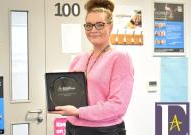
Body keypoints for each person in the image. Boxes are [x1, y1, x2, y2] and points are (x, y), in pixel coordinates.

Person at [51, 0, 134, 135]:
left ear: (110, 27)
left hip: (103, 130)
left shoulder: (120, 57)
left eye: (99, 25)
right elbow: (69, 92)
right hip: (72, 126)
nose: (93, 30)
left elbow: (118, 105)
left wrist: (79, 112)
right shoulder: (79, 58)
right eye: (89, 25)